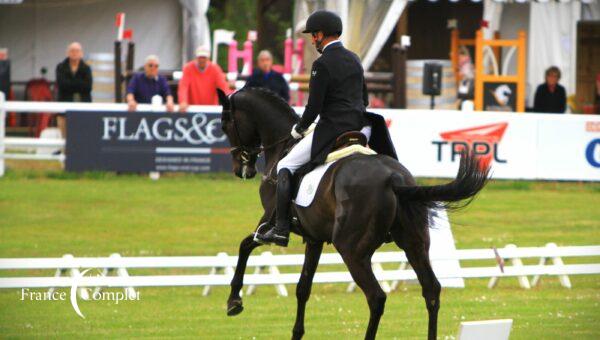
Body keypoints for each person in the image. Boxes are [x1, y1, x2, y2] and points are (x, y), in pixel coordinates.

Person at [255, 10, 396, 247]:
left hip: (332, 129)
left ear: (321, 34)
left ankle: (280, 229)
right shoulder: (354, 59)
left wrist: (298, 130)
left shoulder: (321, 64)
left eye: (313, 35)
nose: (312, 40)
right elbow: (364, 99)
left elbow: (314, 108)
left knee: (285, 165)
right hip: (362, 128)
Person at [55, 42, 93, 138]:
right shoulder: (61, 67)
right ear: (67, 53)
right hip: (64, 108)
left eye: (77, 51)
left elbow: (88, 87)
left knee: (83, 135)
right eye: (72, 51)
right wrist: (79, 84)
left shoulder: (86, 68)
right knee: (65, 137)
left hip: (83, 107)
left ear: (81, 53)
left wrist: (70, 84)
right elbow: (62, 85)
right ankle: (65, 153)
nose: (74, 53)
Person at [178, 46, 230, 111]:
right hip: (192, 109)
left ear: (208, 58)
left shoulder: (215, 69)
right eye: (200, 57)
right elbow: (183, 86)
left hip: (211, 109)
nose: (202, 59)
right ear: (196, 58)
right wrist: (183, 101)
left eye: (204, 57)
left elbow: (223, 87)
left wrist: (228, 102)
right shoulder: (188, 68)